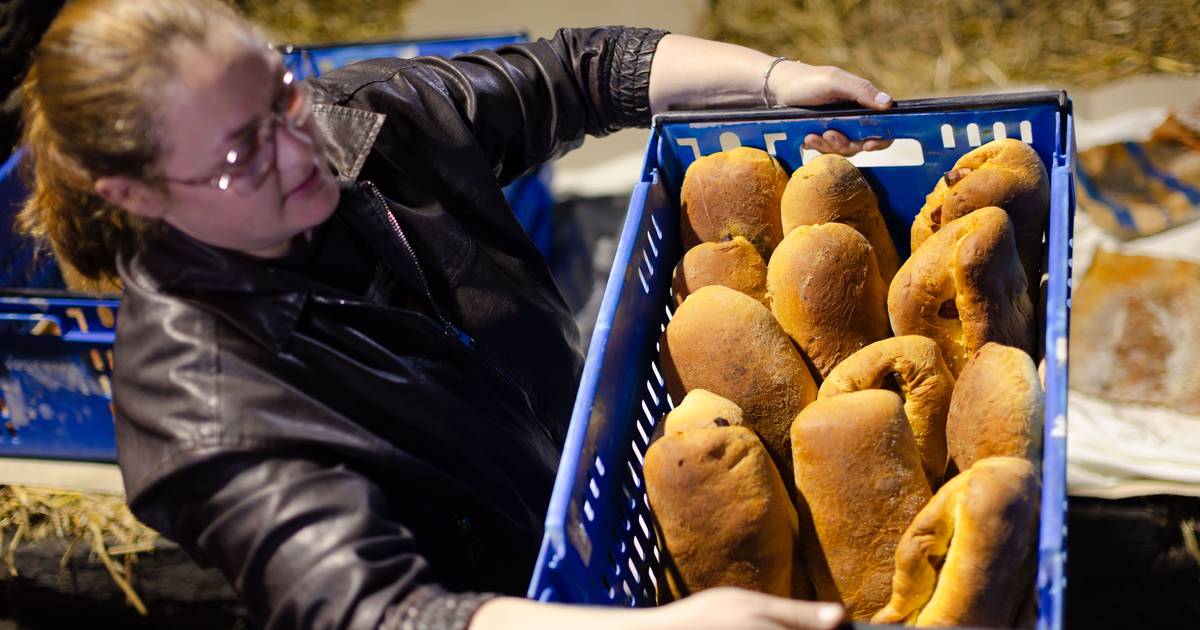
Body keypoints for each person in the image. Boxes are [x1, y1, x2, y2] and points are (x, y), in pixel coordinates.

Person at [18, 1, 894, 628]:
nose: (299, 147)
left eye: (279, 93)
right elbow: (385, 611)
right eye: (242, 153)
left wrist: (776, 79)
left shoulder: (361, 124)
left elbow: (582, 72)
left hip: (607, 482)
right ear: (134, 193)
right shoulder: (200, 413)